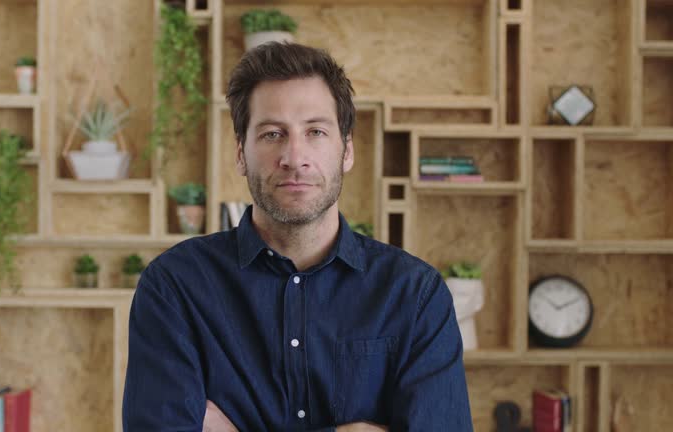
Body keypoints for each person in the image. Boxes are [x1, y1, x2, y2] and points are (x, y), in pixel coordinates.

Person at [123, 42, 473, 431]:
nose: (294, 155)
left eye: (316, 131)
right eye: (273, 134)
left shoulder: (415, 295)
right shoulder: (175, 288)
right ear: (241, 153)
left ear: (347, 152)